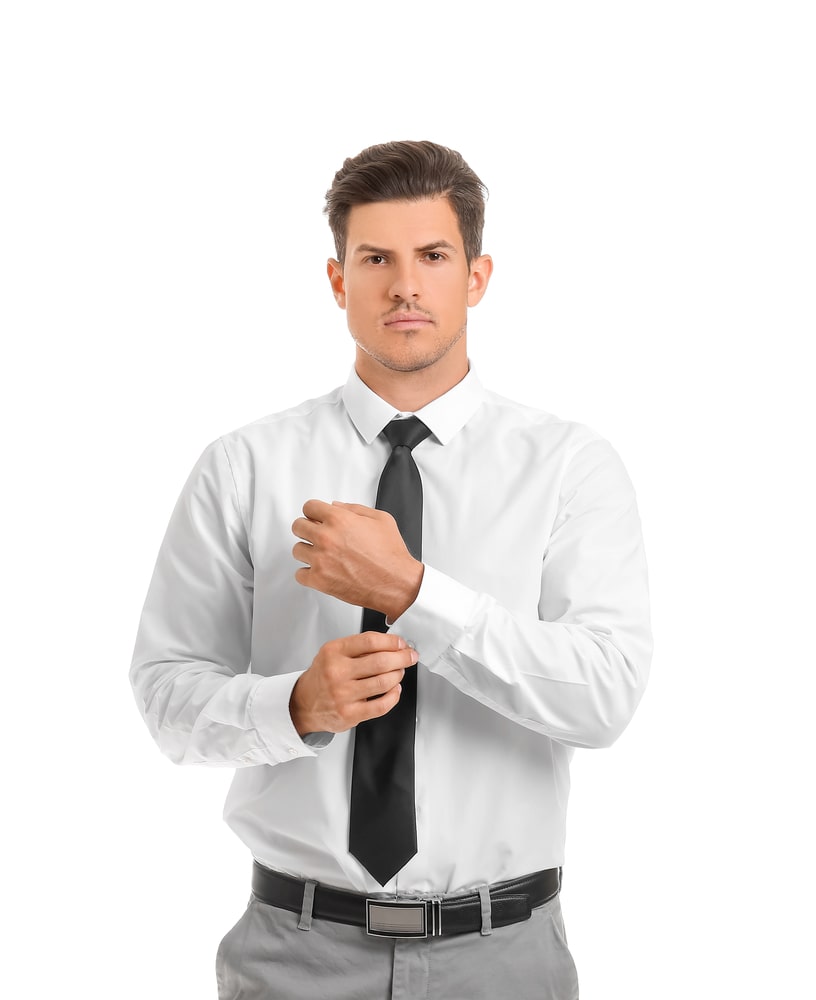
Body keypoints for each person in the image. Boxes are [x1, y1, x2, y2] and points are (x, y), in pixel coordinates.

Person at [129, 139, 652, 1000]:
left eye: (432, 257)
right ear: (338, 281)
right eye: (375, 258)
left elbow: (604, 699)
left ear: (477, 277)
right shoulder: (244, 466)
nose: (404, 285)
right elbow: (165, 697)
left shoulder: (569, 467)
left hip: (504, 955)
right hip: (291, 953)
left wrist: (413, 596)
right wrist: (294, 706)